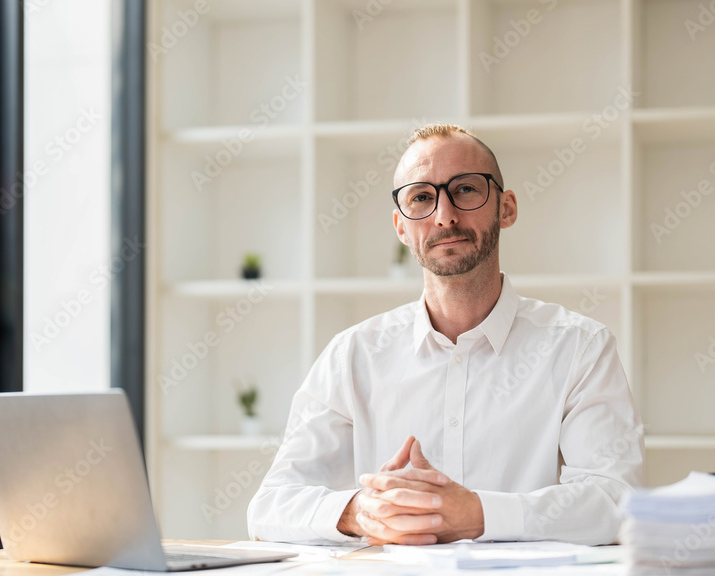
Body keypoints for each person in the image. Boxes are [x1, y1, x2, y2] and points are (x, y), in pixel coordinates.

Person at [246, 123, 644, 546]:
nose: (444, 215)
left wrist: (477, 514)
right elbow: (271, 506)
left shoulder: (580, 348)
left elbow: (616, 500)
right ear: (401, 227)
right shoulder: (353, 355)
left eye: (466, 190)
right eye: (422, 197)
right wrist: (360, 511)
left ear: (505, 208)